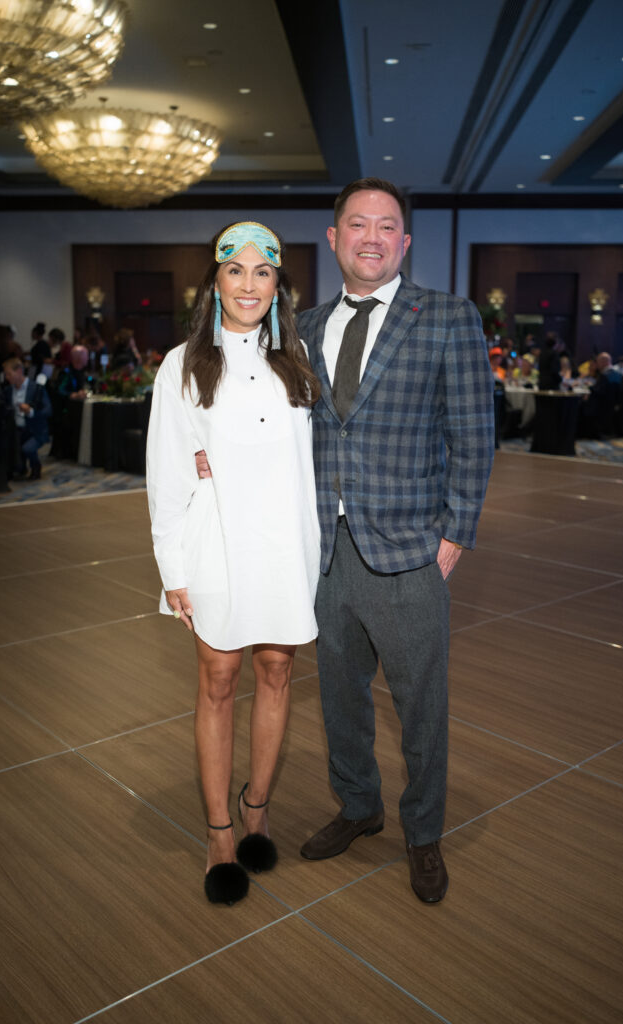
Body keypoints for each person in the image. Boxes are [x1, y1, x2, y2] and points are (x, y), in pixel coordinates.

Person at [295, 179, 494, 903]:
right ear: (334, 238)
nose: (371, 236)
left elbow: (474, 434)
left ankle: (424, 832)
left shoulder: (446, 317)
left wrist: (455, 535)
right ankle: (357, 806)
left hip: (411, 548)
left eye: (386, 225)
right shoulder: (304, 326)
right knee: (340, 696)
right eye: (357, 223)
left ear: (404, 242)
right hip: (324, 551)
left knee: (420, 705)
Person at [146, 221, 321, 907]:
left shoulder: (298, 363)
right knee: (219, 679)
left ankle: (258, 809)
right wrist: (172, 569)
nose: (249, 284)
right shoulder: (182, 366)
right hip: (214, 543)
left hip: (286, 546)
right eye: (235, 270)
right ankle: (220, 832)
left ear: (279, 285)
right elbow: (167, 472)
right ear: (214, 281)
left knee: (277, 670)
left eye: (263, 272)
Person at [2, 357, 52, 479]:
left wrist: (31, 412)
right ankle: (20, 467)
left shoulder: (36, 388)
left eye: (9, 374)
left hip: (35, 430)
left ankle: (36, 466)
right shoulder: (8, 390)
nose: (7, 378)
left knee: (27, 449)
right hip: (17, 430)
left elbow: (48, 410)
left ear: (19, 371)